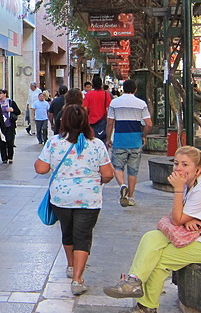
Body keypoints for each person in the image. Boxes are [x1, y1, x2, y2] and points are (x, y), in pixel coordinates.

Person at [103, 146, 201, 313]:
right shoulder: (192, 184)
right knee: (151, 237)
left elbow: (175, 219)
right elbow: (177, 216)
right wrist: (186, 218)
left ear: (198, 169)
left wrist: (178, 191)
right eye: (176, 164)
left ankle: (147, 308)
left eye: (185, 164)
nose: (179, 168)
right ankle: (134, 281)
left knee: (160, 260)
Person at [35, 105, 114, 295]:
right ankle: (78, 279)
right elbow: (108, 174)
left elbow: (41, 169)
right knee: (83, 236)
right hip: (89, 198)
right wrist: (97, 180)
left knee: (67, 231)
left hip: (61, 198)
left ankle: (70, 265)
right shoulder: (96, 144)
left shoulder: (54, 143)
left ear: (63, 122)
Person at [106, 79, 152, 208]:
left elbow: (110, 123)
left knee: (118, 167)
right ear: (135, 89)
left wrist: (108, 138)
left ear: (123, 89)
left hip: (120, 140)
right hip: (135, 140)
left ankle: (122, 185)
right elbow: (149, 124)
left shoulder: (114, 103)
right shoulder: (141, 104)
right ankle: (131, 197)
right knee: (133, 170)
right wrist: (144, 135)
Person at [83, 75, 112, 143]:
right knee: (102, 140)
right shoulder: (106, 94)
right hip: (102, 121)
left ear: (93, 84)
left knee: (91, 140)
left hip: (90, 122)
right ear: (101, 84)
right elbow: (109, 108)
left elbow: (85, 109)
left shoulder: (88, 94)